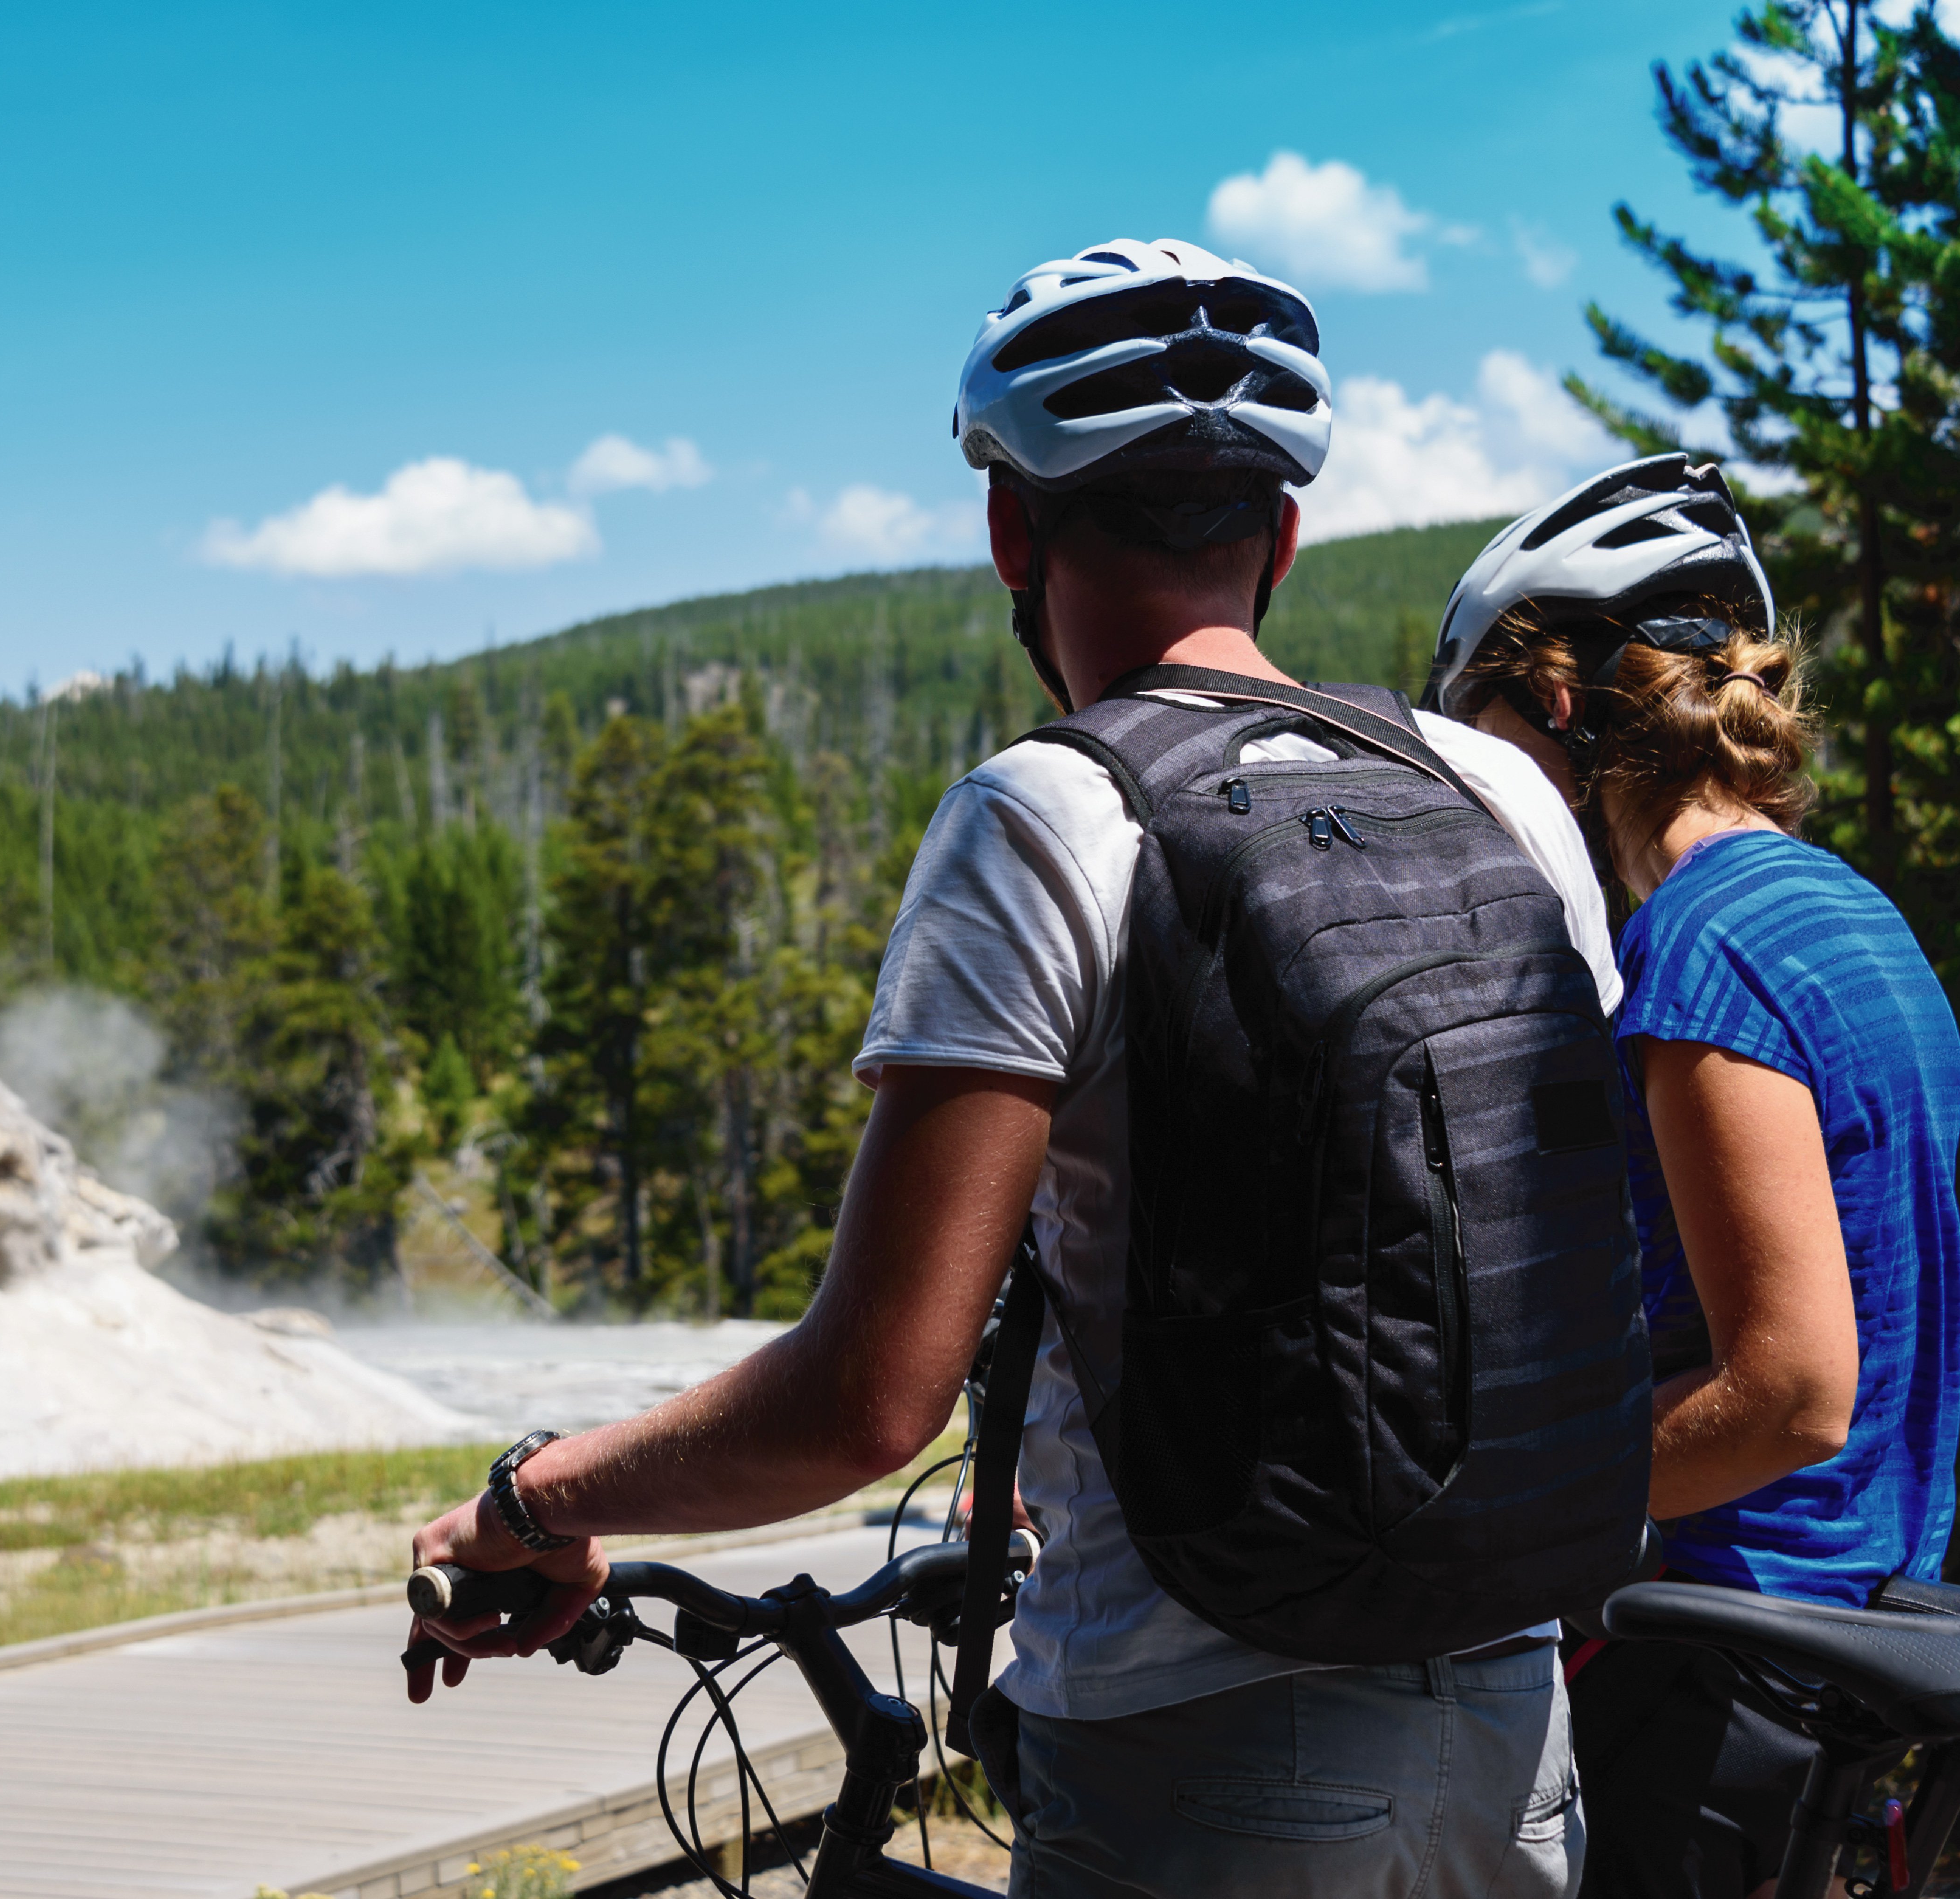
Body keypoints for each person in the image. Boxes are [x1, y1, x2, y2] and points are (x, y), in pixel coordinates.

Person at [405, 239, 1624, 1898]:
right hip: (1509, 1731)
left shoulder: (1045, 816)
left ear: (1008, 530)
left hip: (1199, 1751)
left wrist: (534, 1496)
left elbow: (868, 1394)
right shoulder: (1501, 787)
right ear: (1277, 532)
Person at [1423, 454, 1960, 1899]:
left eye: (1481, 747)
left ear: (1553, 708)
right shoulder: (1845, 911)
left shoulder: (1701, 946)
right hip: (1835, 1631)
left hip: (1717, 1651)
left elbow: (1789, 1388)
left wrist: (1486, 1510)